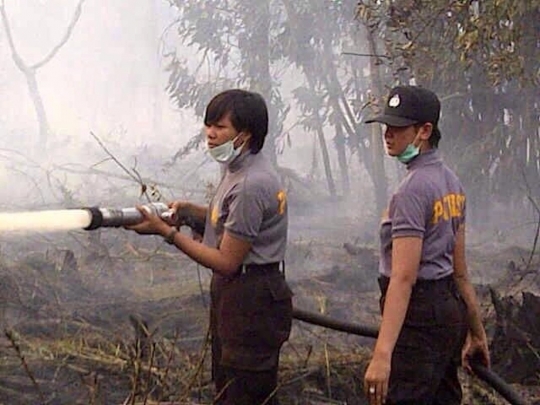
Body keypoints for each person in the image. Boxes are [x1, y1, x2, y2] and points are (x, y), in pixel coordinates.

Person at [125, 89, 293, 405]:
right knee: (228, 379)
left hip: (250, 298)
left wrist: (168, 233)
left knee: (244, 390)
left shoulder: (250, 184)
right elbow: (229, 221)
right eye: (209, 125)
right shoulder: (239, 168)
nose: (210, 135)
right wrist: (190, 211)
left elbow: (227, 260)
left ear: (245, 134)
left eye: (220, 127)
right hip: (240, 295)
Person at [362, 85, 490, 405]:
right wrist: (476, 332)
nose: (388, 135)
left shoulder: (412, 191)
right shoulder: (451, 183)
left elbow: (403, 278)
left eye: (399, 128)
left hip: (419, 317)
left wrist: (381, 355)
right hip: (447, 313)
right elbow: (459, 273)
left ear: (424, 130)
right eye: (387, 127)